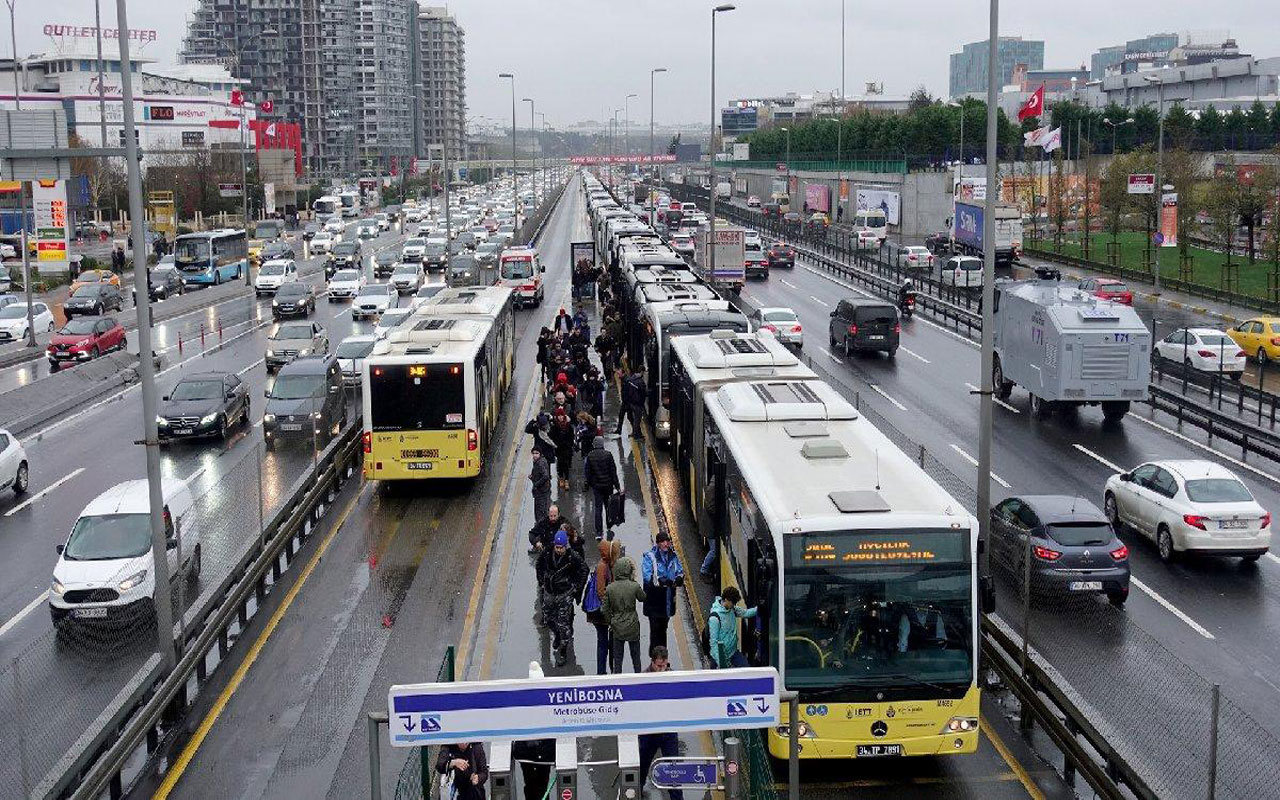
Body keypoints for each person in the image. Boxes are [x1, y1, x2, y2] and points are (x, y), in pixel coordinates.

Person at [638, 647, 685, 800]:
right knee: (642, 767)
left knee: (674, 772)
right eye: (659, 666)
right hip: (649, 733)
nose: (662, 669)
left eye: (664, 665)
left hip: (668, 732)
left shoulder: (673, 677)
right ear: (652, 662)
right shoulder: (643, 679)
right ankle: (636, 792)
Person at [536, 530, 588, 666]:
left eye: (561, 548)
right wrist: (542, 581)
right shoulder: (547, 552)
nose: (559, 550)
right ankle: (557, 634)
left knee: (564, 624)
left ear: (566, 546)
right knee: (548, 619)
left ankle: (563, 651)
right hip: (549, 592)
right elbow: (539, 564)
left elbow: (584, 569)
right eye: (557, 547)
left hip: (565, 593)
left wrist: (577, 588)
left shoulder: (572, 557)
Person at [641, 532, 684, 651]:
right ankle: (656, 657)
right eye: (663, 542)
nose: (666, 544)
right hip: (654, 601)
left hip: (667, 601)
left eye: (668, 541)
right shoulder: (650, 557)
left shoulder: (673, 556)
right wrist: (662, 581)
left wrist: (680, 577)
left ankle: (662, 657)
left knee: (663, 628)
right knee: (655, 630)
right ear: (658, 543)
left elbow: (679, 570)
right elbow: (647, 577)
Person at [602, 555, 645, 673]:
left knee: (618, 658)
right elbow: (643, 598)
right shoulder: (634, 586)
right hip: (632, 625)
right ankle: (638, 677)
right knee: (636, 656)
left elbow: (604, 609)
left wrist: (610, 621)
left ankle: (618, 679)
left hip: (617, 626)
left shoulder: (610, 588)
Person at [586, 539, 622, 674]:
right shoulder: (602, 566)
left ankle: (610, 670)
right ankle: (601, 672)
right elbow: (601, 591)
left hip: (607, 611)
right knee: (603, 642)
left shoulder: (609, 564)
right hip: (602, 613)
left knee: (609, 642)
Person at [708, 586, 757, 669]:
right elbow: (713, 643)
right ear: (726, 600)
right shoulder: (714, 618)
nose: (734, 605)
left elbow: (746, 613)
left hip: (733, 653)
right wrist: (721, 663)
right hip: (719, 658)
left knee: (747, 670)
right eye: (733, 602)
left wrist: (759, 608)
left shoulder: (732, 609)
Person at [583, 436, 621, 540]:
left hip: (597, 487)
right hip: (608, 485)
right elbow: (613, 472)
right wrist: (617, 486)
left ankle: (599, 532)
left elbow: (587, 472)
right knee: (608, 506)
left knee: (598, 508)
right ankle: (609, 525)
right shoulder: (608, 455)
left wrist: (592, 484)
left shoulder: (590, 456)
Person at [549, 411, 576, 491]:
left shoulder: (568, 426)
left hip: (567, 448)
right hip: (559, 449)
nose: (560, 417)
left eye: (561, 415)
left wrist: (570, 444)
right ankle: (561, 478)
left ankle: (566, 479)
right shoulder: (554, 426)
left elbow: (572, 436)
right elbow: (551, 436)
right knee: (560, 464)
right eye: (558, 416)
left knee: (566, 464)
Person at [616, 370, 645, 439]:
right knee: (632, 418)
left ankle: (636, 433)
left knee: (633, 418)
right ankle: (636, 433)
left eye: (618, 374)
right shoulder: (629, 380)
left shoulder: (627, 381)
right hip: (629, 402)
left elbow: (628, 392)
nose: (617, 376)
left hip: (628, 402)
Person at [528, 446, 552, 527]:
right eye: (533, 453)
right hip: (543, 491)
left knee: (540, 512)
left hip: (541, 492)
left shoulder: (540, 463)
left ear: (540, 454)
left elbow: (545, 476)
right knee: (542, 511)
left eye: (536, 453)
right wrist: (533, 477)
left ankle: (541, 528)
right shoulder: (540, 461)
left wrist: (536, 484)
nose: (534, 455)